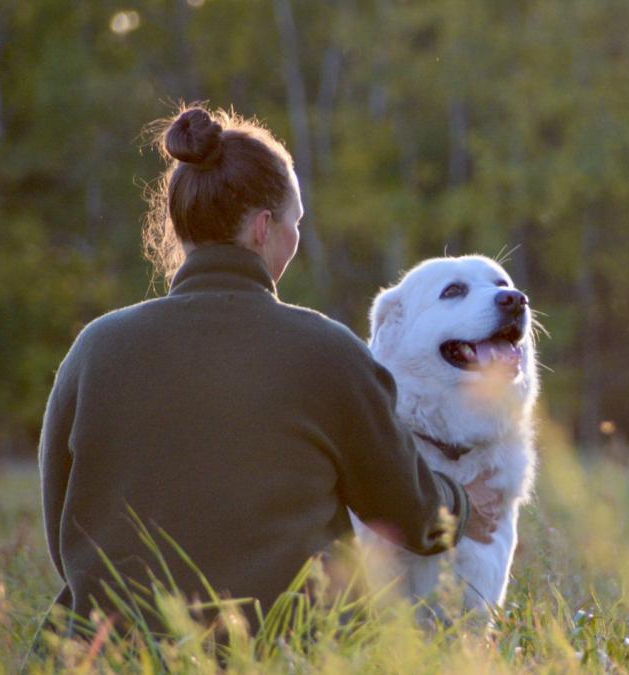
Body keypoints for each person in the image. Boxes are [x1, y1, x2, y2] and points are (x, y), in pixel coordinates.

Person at [36, 104, 500, 634]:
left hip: (107, 656)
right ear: (263, 228)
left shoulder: (96, 349)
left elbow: (64, 529)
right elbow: (413, 518)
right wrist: (463, 503)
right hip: (282, 654)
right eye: (294, 223)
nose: (296, 238)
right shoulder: (327, 352)